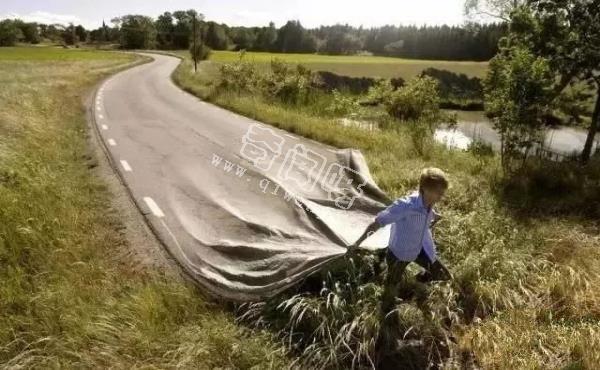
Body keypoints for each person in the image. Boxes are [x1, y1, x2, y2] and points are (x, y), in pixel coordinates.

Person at [347, 167, 452, 317]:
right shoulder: (405, 206)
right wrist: (358, 243)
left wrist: (434, 218)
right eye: (439, 192)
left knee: (443, 275)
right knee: (389, 295)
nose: (441, 197)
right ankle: (386, 319)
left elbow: (427, 218)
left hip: (419, 250)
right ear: (425, 189)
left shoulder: (430, 204)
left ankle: (417, 282)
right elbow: (377, 222)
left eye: (443, 192)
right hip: (398, 255)